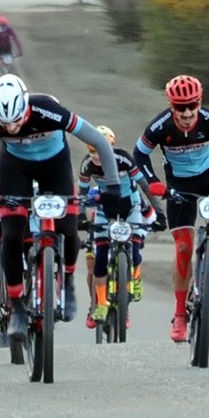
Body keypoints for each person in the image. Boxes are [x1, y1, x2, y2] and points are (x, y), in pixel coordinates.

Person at [0, 75, 129, 340]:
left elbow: (100, 143)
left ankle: (67, 279)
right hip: (16, 169)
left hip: (55, 165)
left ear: (25, 107)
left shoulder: (49, 110)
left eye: (17, 121)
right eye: (4, 124)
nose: (10, 128)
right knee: (10, 235)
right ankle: (19, 307)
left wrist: (112, 185)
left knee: (69, 229)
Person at [133, 74, 209, 343]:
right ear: (171, 106)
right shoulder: (160, 126)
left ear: (199, 103)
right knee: (183, 248)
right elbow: (139, 154)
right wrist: (153, 182)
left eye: (191, 106)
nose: (186, 113)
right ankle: (180, 314)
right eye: (180, 107)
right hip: (178, 186)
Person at [79, 125, 154, 330]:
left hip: (130, 206)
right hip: (105, 210)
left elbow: (144, 185)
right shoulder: (87, 165)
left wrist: (159, 211)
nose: (96, 155)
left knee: (136, 250)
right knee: (100, 257)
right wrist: (79, 216)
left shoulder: (124, 159)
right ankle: (101, 303)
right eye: (92, 150)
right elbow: (82, 192)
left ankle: (135, 278)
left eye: (101, 150)